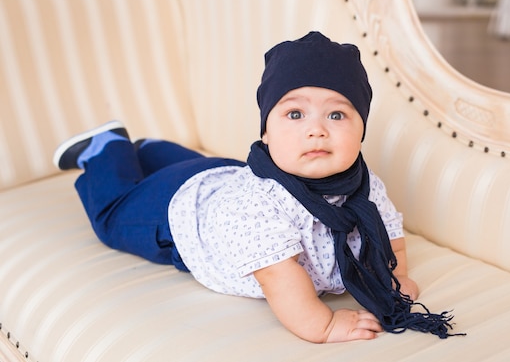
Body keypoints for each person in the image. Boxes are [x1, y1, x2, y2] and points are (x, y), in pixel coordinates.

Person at [53, 31, 460, 343]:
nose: (316, 130)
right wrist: (325, 325)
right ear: (265, 133)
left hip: (225, 176)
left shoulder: (366, 187)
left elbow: (391, 237)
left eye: (337, 115)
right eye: (295, 113)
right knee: (113, 217)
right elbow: (284, 284)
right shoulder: (260, 207)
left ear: (361, 131)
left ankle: (155, 151)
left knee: (200, 169)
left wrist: (396, 277)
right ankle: (107, 148)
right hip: (182, 213)